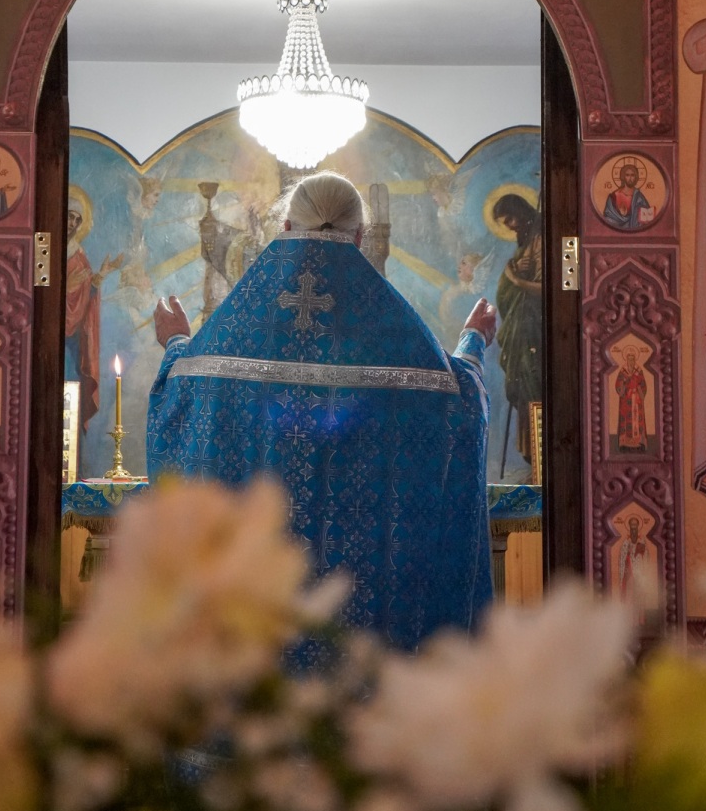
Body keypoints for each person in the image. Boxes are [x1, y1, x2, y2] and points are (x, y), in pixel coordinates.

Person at [147, 172, 496, 648]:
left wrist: (176, 342)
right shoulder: (392, 332)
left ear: (287, 226)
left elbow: (182, 398)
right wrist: (473, 343)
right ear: (360, 236)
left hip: (255, 606)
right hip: (362, 606)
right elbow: (457, 404)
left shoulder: (238, 329)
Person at [492, 193, 542, 465]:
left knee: (534, 386)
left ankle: (541, 458)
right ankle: (532, 456)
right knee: (523, 387)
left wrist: (515, 277)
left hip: (535, 329)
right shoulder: (526, 241)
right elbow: (508, 290)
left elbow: (545, 288)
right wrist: (512, 270)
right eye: (505, 222)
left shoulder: (539, 237)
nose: (510, 225)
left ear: (521, 211)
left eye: (510, 218)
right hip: (522, 329)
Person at [66, 203, 124, 429]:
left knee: (72, 386)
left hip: (72, 340)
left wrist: (101, 275)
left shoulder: (79, 255)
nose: (72, 223)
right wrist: (65, 287)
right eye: (70, 217)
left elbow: (87, 294)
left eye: (77, 220)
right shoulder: (45, 250)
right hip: (52, 334)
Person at [603, 161, 655, 230]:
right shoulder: (613, 196)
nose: (630, 178)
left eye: (632, 175)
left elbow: (647, 217)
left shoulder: (639, 197)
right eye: (627, 175)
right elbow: (608, 217)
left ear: (636, 177)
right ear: (623, 176)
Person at [615, 347, 648, 453]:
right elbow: (618, 385)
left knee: (637, 421)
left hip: (637, 400)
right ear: (626, 360)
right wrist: (624, 384)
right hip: (626, 400)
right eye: (629, 359)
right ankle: (625, 445)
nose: (631, 362)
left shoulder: (639, 371)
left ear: (635, 360)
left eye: (633, 359)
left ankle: (639, 444)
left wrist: (638, 388)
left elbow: (643, 385)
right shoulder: (622, 372)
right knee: (626, 421)